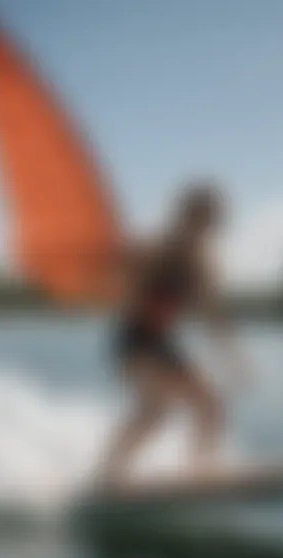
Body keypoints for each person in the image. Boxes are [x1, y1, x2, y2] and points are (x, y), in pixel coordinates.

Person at [101, 182, 246, 483]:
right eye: (204, 218)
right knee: (158, 409)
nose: (208, 227)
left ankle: (199, 469)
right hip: (136, 340)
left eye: (212, 221)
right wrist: (125, 263)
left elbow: (213, 315)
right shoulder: (159, 248)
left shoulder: (203, 264)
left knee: (209, 406)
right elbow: (123, 279)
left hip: (162, 343)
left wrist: (234, 357)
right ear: (186, 216)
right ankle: (109, 475)